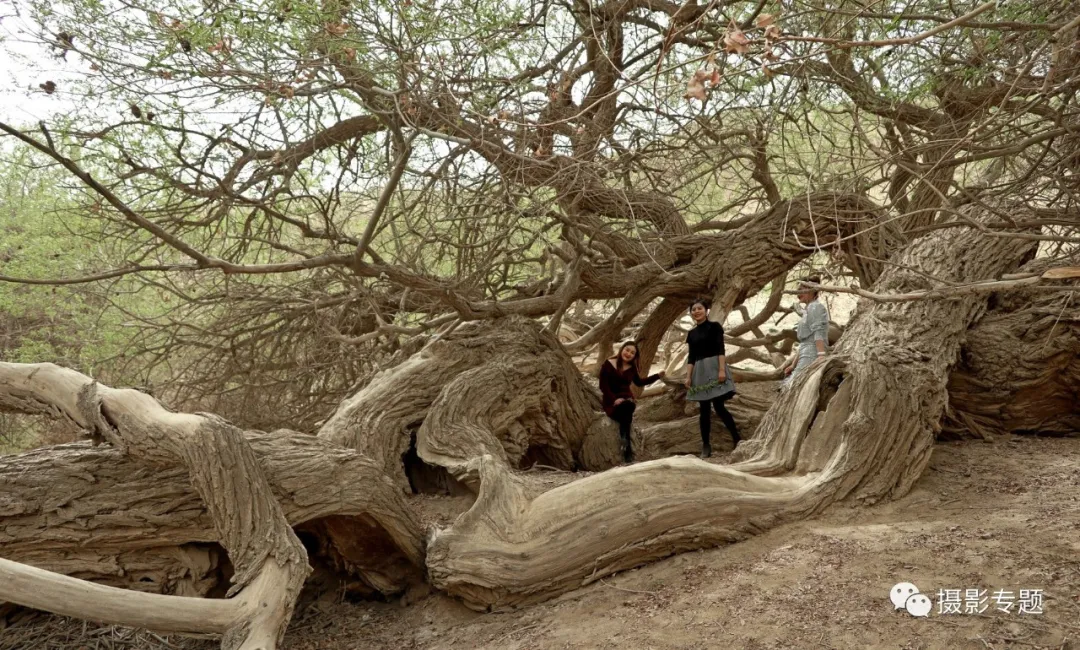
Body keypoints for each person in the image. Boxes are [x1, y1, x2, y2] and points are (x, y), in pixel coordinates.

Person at [684, 299, 740, 458]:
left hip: (715, 367)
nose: (696, 311)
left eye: (699, 308)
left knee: (719, 406)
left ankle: (737, 438)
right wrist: (688, 376)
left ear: (706, 310)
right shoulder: (691, 334)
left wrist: (721, 370)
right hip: (700, 371)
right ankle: (706, 446)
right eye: (693, 309)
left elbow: (721, 349)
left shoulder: (715, 327)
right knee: (704, 410)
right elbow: (691, 357)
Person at [599, 341, 665, 463]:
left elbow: (639, 383)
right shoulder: (608, 364)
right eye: (627, 350)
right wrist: (614, 399)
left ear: (635, 356)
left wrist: (657, 376)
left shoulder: (632, 368)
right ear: (622, 349)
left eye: (632, 353)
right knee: (626, 414)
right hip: (611, 401)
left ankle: (625, 442)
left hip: (627, 401)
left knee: (628, 406)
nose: (628, 354)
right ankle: (627, 446)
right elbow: (603, 386)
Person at [780, 275, 830, 387]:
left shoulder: (816, 307)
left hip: (812, 353)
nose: (798, 294)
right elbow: (804, 342)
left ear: (811, 290)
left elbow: (818, 332)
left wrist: (821, 355)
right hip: (805, 352)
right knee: (790, 385)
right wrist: (793, 365)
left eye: (801, 290)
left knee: (793, 386)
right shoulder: (809, 308)